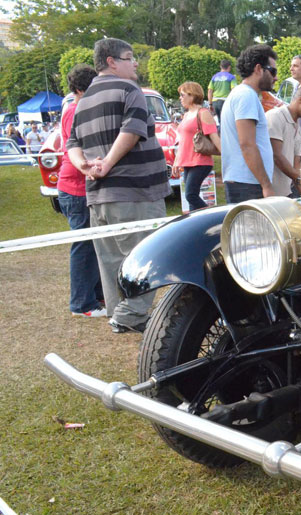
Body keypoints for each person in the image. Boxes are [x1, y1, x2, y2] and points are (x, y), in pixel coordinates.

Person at [66, 37, 171, 334]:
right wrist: (108, 163)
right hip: (135, 193)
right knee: (146, 256)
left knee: (111, 259)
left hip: (98, 197)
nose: (135, 62)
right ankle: (130, 314)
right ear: (111, 61)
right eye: (129, 57)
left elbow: (72, 143)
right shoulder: (129, 89)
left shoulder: (83, 99)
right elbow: (133, 129)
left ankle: (118, 313)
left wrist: (85, 165)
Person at [57, 64, 105, 318]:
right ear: (79, 89)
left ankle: (96, 296)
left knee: (92, 244)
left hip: (81, 185)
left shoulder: (77, 108)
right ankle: (82, 304)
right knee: (83, 245)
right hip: (74, 187)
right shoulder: (74, 110)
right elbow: (78, 147)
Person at [220, 44, 278, 203]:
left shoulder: (243, 94)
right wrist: (266, 185)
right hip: (247, 186)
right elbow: (247, 144)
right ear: (259, 69)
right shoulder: (246, 96)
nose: (276, 78)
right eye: (273, 71)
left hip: (245, 184)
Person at [265, 84, 301, 197]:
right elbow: (276, 156)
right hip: (268, 193)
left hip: (285, 193)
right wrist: (300, 178)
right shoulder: (275, 117)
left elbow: (296, 164)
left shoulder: (298, 127)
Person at [175, 81, 221, 211]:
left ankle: (211, 217)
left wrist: (227, 157)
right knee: (190, 199)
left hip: (200, 161)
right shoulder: (187, 114)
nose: (180, 98)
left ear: (192, 95)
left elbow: (214, 136)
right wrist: (176, 161)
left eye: (182, 95)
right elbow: (183, 140)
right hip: (187, 162)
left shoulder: (203, 112)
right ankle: (196, 225)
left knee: (191, 195)